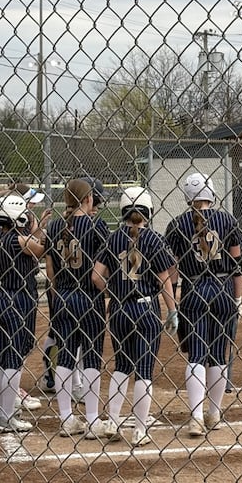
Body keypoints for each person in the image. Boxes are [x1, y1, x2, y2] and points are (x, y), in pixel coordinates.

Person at [92, 186, 177, 447]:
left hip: (119, 310)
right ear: (148, 210)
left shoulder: (112, 238)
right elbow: (165, 281)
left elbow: (96, 276)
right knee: (144, 371)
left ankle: (113, 421)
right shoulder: (154, 240)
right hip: (146, 309)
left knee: (122, 366)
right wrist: (173, 310)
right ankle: (139, 430)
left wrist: (115, 293)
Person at [165, 173, 242, 438]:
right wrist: (237, 299)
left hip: (194, 289)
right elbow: (237, 265)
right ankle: (214, 412)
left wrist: (173, 302)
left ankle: (196, 417)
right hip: (222, 289)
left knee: (196, 354)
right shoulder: (227, 220)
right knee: (218, 354)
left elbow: (172, 269)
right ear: (211, 194)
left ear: (188, 197)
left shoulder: (178, 224)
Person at [45, 179, 110, 438]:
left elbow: (50, 273)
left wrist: (58, 296)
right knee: (92, 355)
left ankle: (66, 419)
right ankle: (92, 420)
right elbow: (104, 266)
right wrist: (108, 292)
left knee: (66, 356)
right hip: (89, 295)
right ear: (87, 199)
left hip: (62, 296)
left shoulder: (54, 226)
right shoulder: (96, 225)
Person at [0, 194, 46, 431]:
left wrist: (36, 230)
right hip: (15, 299)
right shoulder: (17, 240)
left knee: (0, 356)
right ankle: (6, 415)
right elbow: (40, 249)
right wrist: (42, 230)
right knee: (14, 359)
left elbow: (31, 245)